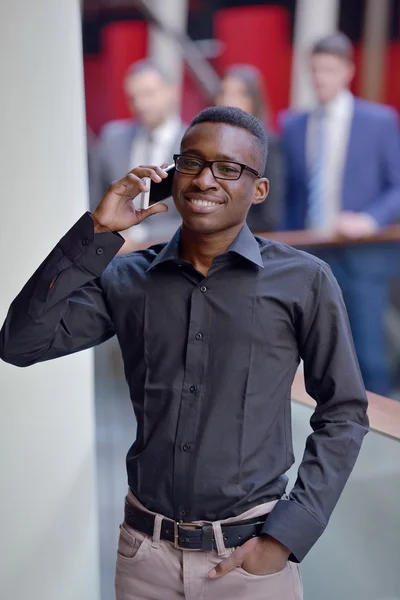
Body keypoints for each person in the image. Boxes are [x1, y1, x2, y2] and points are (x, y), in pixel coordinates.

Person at [0, 106, 368, 600]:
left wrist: (286, 536)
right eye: (192, 163)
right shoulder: (127, 279)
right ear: (173, 176)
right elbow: (20, 344)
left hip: (250, 560)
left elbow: (343, 411)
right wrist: (97, 232)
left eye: (229, 168)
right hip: (143, 557)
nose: (205, 179)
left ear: (257, 189)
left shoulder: (303, 280)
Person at [282, 32, 400, 396]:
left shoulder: (379, 121)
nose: (321, 78)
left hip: (363, 254)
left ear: (348, 70)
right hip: (310, 256)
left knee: (369, 357)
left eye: (329, 70)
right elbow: (291, 197)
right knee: (313, 355)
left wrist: (368, 219)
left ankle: (381, 448)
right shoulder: (293, 125)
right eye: (315, 69)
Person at [91, 59, 187, 247]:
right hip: (115, 256)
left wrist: (140, 236)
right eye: (133, 97)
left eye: (149, 94)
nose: (141, 104)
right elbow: (94, 203)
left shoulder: (193, 144)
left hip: (173, 253)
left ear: (172, 92)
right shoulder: (112, 139)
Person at [215, 64, 284, 232]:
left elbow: (270, 215)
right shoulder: (212, 143)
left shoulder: (268, 145)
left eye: (238, 94)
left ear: (254, 101)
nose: (228, 101)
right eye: (224, 93)